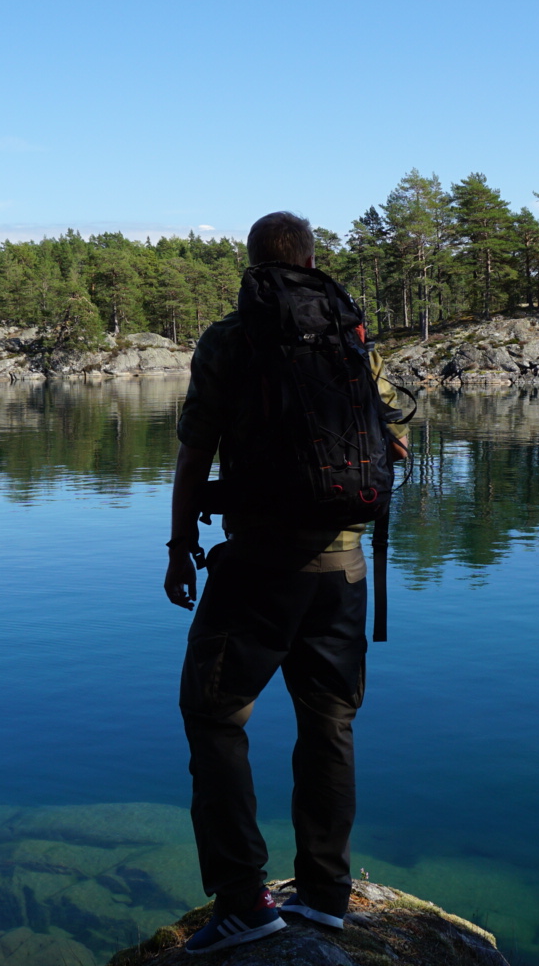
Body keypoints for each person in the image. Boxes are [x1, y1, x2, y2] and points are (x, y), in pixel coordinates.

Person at [164, 211, 406, 954]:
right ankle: (327, 894)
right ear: (309, 260)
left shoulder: (231, 340)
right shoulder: (351, 336)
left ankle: (244, 901)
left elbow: (195, 451)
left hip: (259, 565)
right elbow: (393, 433)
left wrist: (180, 547)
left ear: (252, 265)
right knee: (329, 723)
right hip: (346, 566)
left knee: (213, 716)